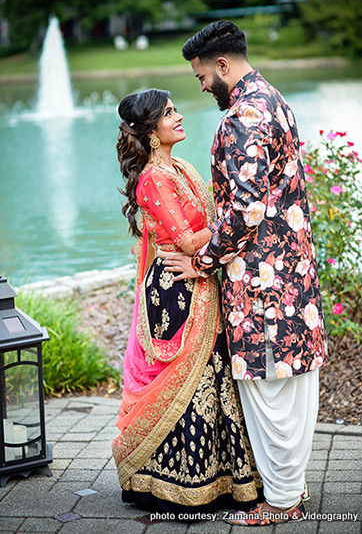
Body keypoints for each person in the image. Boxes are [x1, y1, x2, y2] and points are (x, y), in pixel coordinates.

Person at [161, 21, 328, 526]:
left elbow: (244, 212)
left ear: (222, 65)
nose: (202, 85)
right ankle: (289, 491)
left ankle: (280, 504)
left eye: (202, 76)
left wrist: (201, 261)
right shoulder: (274, 99)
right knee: (289, 386)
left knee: (268, 389)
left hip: (262, 285)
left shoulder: (242, 118)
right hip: (291, 274)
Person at [111, 88, 263, 520]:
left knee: (213, 373)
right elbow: (186, 240)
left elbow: (206, 234)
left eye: (176, 110)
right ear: (151, 132)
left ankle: (221, 477)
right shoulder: (152, 179)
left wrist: (222, 231)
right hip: (178, 287)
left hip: (198, 276)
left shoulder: (182, 167)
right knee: (191, 379)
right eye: (169, 113)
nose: (178, 117)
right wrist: (234, 225)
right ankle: (171, 483)